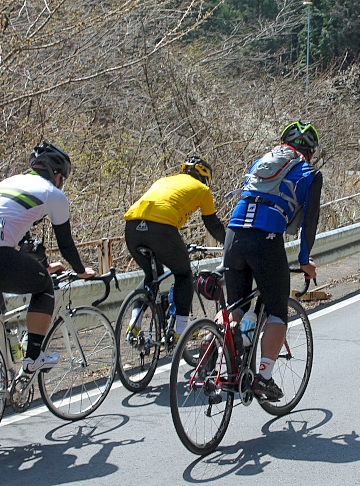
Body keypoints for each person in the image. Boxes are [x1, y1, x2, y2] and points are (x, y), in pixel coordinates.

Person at [0, 141, 96, 377]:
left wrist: (44, 264)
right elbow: (65, 244)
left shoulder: (12, 183)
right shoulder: (53, 194)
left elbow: (23, 239)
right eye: (63, 178)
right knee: (43, 284)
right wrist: (80, 269)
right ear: (56, 175)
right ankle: (34, 358)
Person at [222, 121, 323, 401]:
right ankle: (263, 378)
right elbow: (309, 223)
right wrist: (304, 260)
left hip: (233, 235)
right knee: (278, 312)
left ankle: (217, 348)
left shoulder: (260, 163)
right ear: (311, 152)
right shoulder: (311, 173)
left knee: (236, 307)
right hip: (265, 238)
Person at [123, 155, 226, 338]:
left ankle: (134, 322)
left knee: (151, 275)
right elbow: (213, 225)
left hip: (132, 226)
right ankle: (181, 331)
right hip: (161, 228)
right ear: (204, 176)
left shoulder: (164, 180)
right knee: (183, 274)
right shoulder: (202, 189)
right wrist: (230, 242)